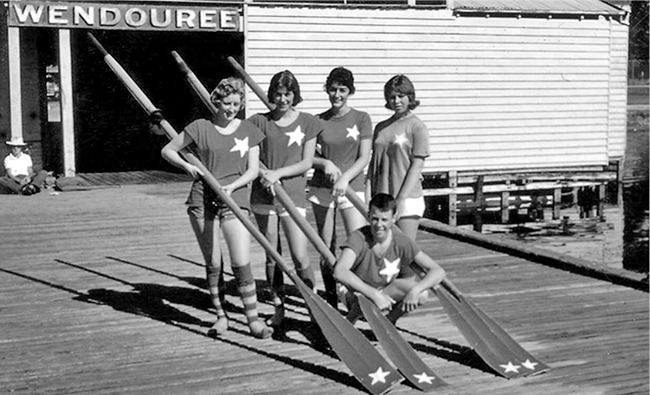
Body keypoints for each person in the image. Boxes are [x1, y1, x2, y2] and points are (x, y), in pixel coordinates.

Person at [161, 77, 273, 339]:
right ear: (217, 101)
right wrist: (188, 167)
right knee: (213, 262)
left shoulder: (249, 130)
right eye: (226, 103)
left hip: (235, 200)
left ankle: (253, 321)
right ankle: (221, 317)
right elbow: (168, 150)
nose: (231, 108)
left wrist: (233, 187)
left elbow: (254, 170)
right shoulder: (200, 127)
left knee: (240, 262)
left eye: (236, 103)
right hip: (203, 198)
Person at [248, 70, 323, 326]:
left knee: (300, 256)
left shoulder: (308, 122)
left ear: (295, 95)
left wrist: (277, 173)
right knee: (273, 256)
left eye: (287, 94)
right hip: (263, 196)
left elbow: (306, 163)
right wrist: (265, 174)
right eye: (278, 94)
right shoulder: (258, 122)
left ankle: (315, 309)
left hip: (291, 196)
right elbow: (251, 159)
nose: (282, 100)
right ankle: (279, 307)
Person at [308, 67, 372, 307]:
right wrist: (325, 162)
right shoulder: (317, 121)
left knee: (357, 244)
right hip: (322, 189)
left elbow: (363, 157)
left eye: (342, 90)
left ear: (350, 91)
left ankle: (354, 295)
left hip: (351, 189)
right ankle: (332, 298)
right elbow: (306, 158)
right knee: (327, 247)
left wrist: (345, 178)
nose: (337, 94)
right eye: (333, 89)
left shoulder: (361, 118)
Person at [334, 193, 446, 323]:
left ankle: (389, 321)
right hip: (355, 291)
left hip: (384, 290)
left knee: (422, 294)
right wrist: (373, 295)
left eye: (384, 220)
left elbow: (438, 271)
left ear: (395, 218)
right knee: (361, 298)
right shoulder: (358, 238)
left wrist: (416, 290)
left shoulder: (401, 241)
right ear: (369, 216)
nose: (379, 225)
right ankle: (351, 318)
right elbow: (340, 272)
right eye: (375, 219)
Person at [366, 74, 430, 240]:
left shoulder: (418, 127)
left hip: (406, 199)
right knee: (382, 253)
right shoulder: (381, 127)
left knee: (404, 252)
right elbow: (374, 164)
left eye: (401, 96)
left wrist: (400, 200)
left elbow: (417, 166)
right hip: (381, 199)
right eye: (392, 97)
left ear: (410, 97)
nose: (396, 101)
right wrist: (368, 197)